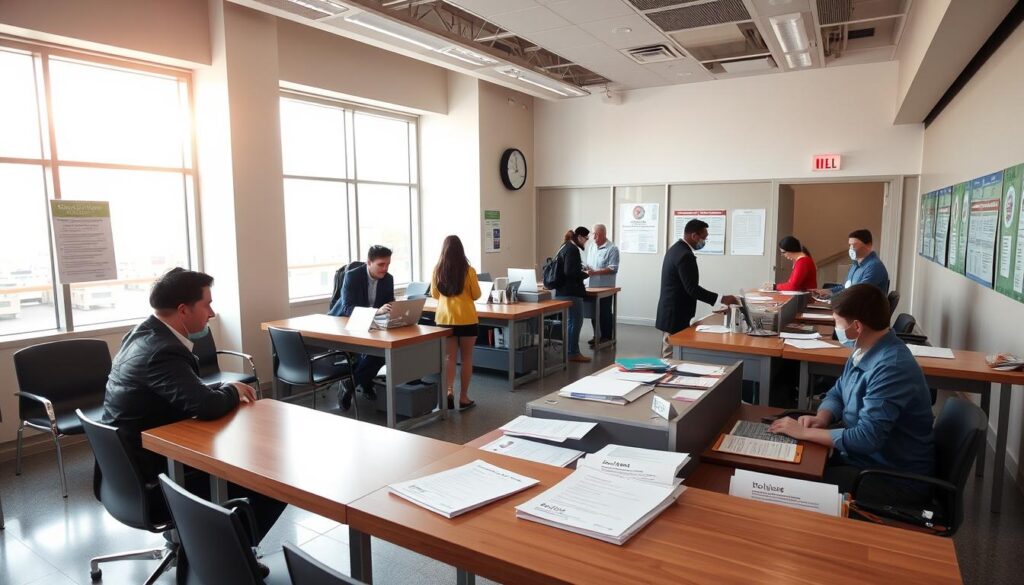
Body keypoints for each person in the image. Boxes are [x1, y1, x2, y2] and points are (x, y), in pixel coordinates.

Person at [101, 268, 285, 548]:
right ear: (183, 310)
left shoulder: (141, 334)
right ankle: (227, 558)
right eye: (207, 304)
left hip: (123, 475)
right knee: (271, 481)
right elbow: (206, 406)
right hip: (155, 480)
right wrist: (231, 391)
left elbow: (180, 391)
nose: (211, 313)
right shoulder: (163, 350)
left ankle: (204, 546)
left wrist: (220, 392)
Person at [769, 284, 935, 504]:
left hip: (891, 476)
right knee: (792, 465)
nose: (835, 328)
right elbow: (838, 391)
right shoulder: (864, 349)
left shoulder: (891, 367)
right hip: (863, 458)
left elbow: (867, 438)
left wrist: (804, 433)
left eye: (837, 322)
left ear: (857, 326)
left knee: (792, 484)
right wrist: (822, 417)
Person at [656, 219, 738, 359]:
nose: (704, 242)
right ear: (694, 236)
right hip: (674, 313)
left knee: (672, 351)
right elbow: (692, 289)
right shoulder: (685, 255)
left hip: (672, 311)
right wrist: (722, 299)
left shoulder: (676, 249)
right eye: (703, 238)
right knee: (669, 355)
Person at [327, 245, 395, 410]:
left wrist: (393, 309)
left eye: (387, 264)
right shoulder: (352, 276)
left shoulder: (388, 278)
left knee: (382, 353)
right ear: (368, 263)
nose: (385, 268)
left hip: (373, 325)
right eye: (381, 264)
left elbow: (389, 301)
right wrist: (376, 311)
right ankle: (364, 382)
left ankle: (351, 383)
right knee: (374, 354)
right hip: (345, 323)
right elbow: (348, 309)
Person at [430, 235, 481, 411]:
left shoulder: (437, 270)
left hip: (444, 320)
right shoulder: (469, 271)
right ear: (461, 251)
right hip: (466, 319)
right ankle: (464, 397)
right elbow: (476, 295)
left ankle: (449, 392)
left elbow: (435, 294)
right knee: (466, 358)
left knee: (448, 358)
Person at [812, 229, 889, 297]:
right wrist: (827, 292)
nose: (851, 249)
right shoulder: (855, 265)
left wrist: (832, 298)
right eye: (850, 245)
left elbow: (857, 293)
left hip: (865, 311)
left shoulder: (874, 266)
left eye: (854, 245)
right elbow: (846, 287)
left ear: (869, 245)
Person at [554, 226, 591, 363]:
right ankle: (573, 352)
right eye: (586, 239)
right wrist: (585, 274)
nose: (586, 242)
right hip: (571, 292)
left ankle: (570, 351)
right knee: (576, 322)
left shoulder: (564, 246)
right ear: (580, 237)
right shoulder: (572, 249)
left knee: (571, 322)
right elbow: (570, 272)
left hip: (561, 291)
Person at [585, 223, 619, 347]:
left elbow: (613, 268)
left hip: (605, 287)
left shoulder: (612, 249)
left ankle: (606, 337)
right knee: (594, 312)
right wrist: (587, 269)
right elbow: (590, 264)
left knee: (604, 312)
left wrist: (595, 272)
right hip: (591, 286)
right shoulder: (592, 247)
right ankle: (597, 335)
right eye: (593, 234)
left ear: (604, 234)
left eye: (597, 235)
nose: (594, 237)